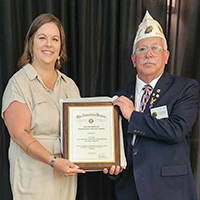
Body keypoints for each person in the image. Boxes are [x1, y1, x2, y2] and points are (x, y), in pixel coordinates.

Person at [103, 11, 199, 200]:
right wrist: (112, 168)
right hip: (129, 190)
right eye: (141, 50)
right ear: (133, 59)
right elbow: (114, 144)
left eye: (155, 48)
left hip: (171, 191)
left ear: (166, 56)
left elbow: (176, 130)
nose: (149, 54)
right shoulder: (119, 97)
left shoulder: (185, 88)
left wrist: (133, 116)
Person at [1, 13, 85, 200]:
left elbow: (83, 132)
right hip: (33, 175)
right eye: (42, 38)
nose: (49, 44)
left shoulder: (70, 85)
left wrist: (103, 158)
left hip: (65, 175)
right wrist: (53, 161)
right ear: (31, 43)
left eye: (55, 39)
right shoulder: (19, 83)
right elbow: (19, 134)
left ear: (60, 46)